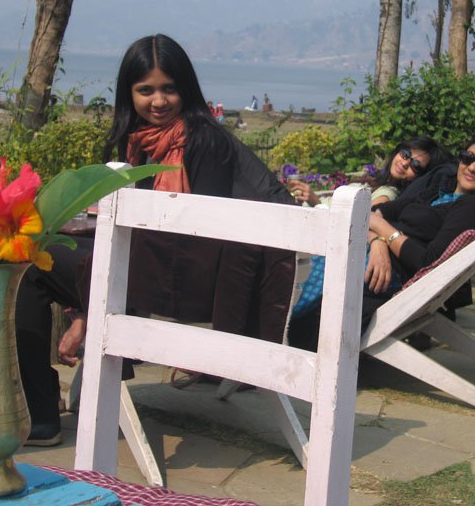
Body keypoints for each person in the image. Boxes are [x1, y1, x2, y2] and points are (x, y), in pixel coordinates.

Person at [16, 34, 296, 446]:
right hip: (162, 274)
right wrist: (87, 304)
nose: (158, 101)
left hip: (187, 287)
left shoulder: (201, 142)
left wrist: (92, 303)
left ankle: (41, 416)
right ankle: (78, 385)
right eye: (145, 90)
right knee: (69, 258)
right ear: (129, 94)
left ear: (186, 90)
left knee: (30, 267)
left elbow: (196, 239)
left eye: (169, 89)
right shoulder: (144, 142)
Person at [289, 127, 475, 350]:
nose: (472, 167)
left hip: (386, 273)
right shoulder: (442, 190)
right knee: (297, 266)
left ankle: (274, 326)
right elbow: (384, 211)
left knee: (298, 276)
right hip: (372, 252)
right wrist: (377, 240)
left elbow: (428, 261)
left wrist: (384, 232)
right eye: (467, 157)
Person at [287, 137, 448, 208]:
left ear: (420, 176)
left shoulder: (388, 194)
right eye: (405, 154)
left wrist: (315, 200)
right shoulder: (379, 182)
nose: (405, 163)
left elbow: (360, 222)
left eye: (415, 165)